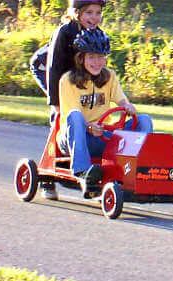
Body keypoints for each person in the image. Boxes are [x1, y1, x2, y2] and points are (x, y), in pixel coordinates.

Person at [49, 28, 153, 200]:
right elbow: (70, 116)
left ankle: (139, 170)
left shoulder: (109, 76)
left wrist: (128, 106)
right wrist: (89, 128)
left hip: (102, 137)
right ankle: (83, 172)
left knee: (144, 120)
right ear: (81, 58)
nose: (97, 62)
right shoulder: (67, 80)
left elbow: (122, 100)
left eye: (101, 57)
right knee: (75, 116)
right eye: (91, 57)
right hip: (73, 139)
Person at [40, 0, 107, 123]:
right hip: (45, 67)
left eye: (98, 13)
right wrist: (56, 103)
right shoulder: (64, 32)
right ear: (77, 12)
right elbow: (54, 68)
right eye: (89, 12)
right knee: (62, 116)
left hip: (72, 75)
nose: (94, 17)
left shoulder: (97, 32)